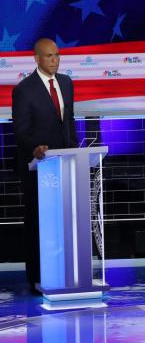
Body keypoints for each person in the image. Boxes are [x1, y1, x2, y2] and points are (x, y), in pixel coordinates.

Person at [12, 38, 77, 293]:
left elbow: (68, 121)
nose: (55, 60)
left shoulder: (66, 83)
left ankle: (64, 271)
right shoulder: (24, 89)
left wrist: (74, 152)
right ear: (37, 58)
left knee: (64, 218)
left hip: (64, 164)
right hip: (37, 166)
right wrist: (35, 148)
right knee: (37, 220)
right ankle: (37, 277)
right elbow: (20, 131)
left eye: (57, 55)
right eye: (49, 56)